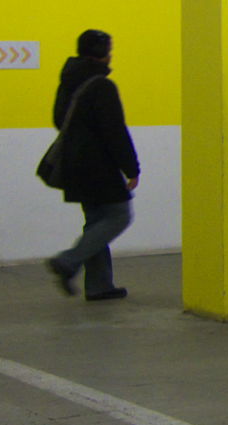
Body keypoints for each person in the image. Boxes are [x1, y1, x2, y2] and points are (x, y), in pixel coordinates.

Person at [44, 29, 140, 301]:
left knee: (97, 221)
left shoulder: (69, 81)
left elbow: (58, 118)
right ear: (103, 53)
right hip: (99, 166)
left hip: (73, 165)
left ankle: (99, 285)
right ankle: (67, 261)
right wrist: (131, 168)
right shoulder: (101, 86)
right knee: (120, 215)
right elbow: (115, 132)